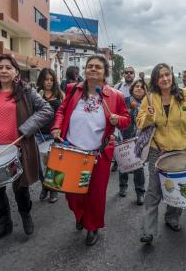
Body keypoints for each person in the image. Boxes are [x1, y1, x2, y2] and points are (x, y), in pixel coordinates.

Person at [0, 54, 53, 243]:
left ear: (16, 72)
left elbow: (46, 110)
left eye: (8, 67)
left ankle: (25, 215)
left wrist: (27, 128)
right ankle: (5, 224)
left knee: (20, 187)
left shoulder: (26, 91)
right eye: (0, 67)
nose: (4, 70)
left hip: (18, 149)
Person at [51, 55, 130, 246]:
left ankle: (92, 226)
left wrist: (117, 120)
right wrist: (56, 126)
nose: (93, 69)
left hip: (99, 153)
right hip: (71, 150)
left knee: (95, 195)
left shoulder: (115, 96)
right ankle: (80, 214)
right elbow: (61, 111)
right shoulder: (72, 89)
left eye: (98, 67)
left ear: (105, 73)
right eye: (90, 66)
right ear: (85, 70)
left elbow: (126, 120)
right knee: (71, 193)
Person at [137, 63, 186, 244]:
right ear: (155, 80)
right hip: (157, 150)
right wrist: (149, 116)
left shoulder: (184, 94)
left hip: (183, 150)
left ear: (172, 76)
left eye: (167, 74)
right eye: (160, 76)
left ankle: (172, 218)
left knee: (179, 188)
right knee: (153, 191)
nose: (164, 79)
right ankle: (148, 230)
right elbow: (139, 122)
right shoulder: (150, 97)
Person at [118, 79, 147, 204]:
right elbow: (118, 117)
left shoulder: (148, 103)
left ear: (145, 91)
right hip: (125, 136)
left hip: (140, 139)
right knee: (124, 163)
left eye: (142, 87)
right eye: (137, 86)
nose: (139, 88)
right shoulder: (125, 101)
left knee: (139, 168)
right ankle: (123, 187)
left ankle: (140, 192)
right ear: (132, 88)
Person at [36, 68, 63, 203]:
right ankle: (45, 187)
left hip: (54, 135)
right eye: (46, 79)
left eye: (51, 80)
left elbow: (63, 115)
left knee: (54, 164)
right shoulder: (36, 94)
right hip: (39, 134)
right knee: (40, 166)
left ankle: (54, 190)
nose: (49, 82)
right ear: (41, 80)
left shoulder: (60, 95)